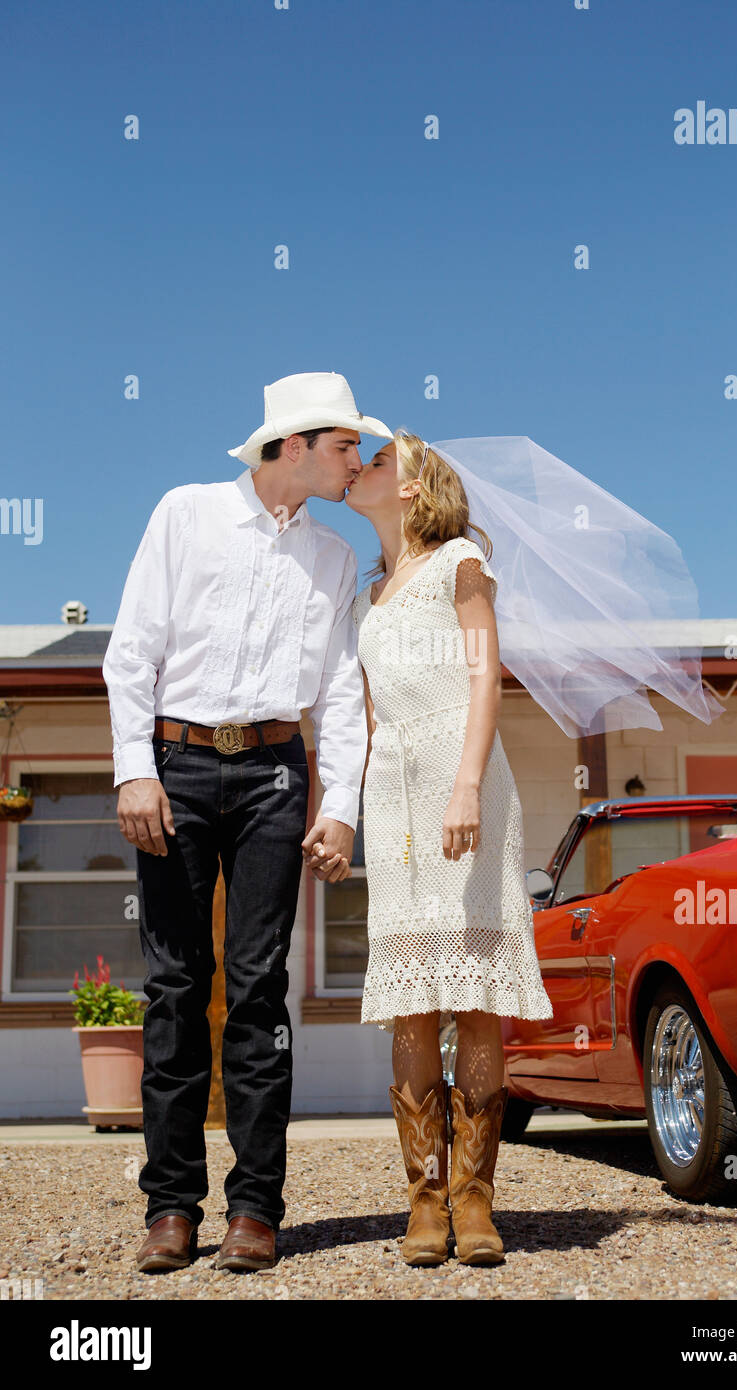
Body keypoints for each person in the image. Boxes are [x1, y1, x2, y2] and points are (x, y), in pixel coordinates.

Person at [102, 371, 392, 1273]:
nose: (358, 461)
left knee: (261, 987)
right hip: (177, 768)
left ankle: (256, 1210)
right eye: (346, 446)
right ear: (295, 445)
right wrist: (135, 772)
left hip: (275, 773)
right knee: (176, 983)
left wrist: (338, 807)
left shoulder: (336, 558)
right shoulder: (184, 514)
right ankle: (171, 1208)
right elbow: (131, 654)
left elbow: (342, 697)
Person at [330, 429, 554, 1267]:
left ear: (416, 489)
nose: (362, 468)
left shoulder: (460, 561)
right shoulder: (368, 597)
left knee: (475, 992)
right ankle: (425, 1199)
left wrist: (465, 783)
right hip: (394, 795)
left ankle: (476, 1198)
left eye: (380, 461)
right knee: (413, 994)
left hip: (463, 775)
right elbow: (370, 715)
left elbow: (483, 675)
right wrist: (347, 810)